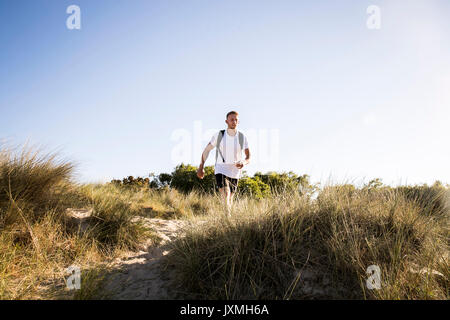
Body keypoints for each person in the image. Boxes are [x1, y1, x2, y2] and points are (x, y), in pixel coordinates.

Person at [197, 111, 251, 215]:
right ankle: (228, 217)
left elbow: (248, 157)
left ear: (238, 121)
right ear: (226, 121)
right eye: (231, 119)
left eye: (236, 120)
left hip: (235, 172)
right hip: (221, 168)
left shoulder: (242, 137)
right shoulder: (219, 135)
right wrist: (201, 166)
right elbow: (207, 150)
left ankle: (228, 218)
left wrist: (243, 163)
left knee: (230, 198)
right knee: (226, 194)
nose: (234, 122)